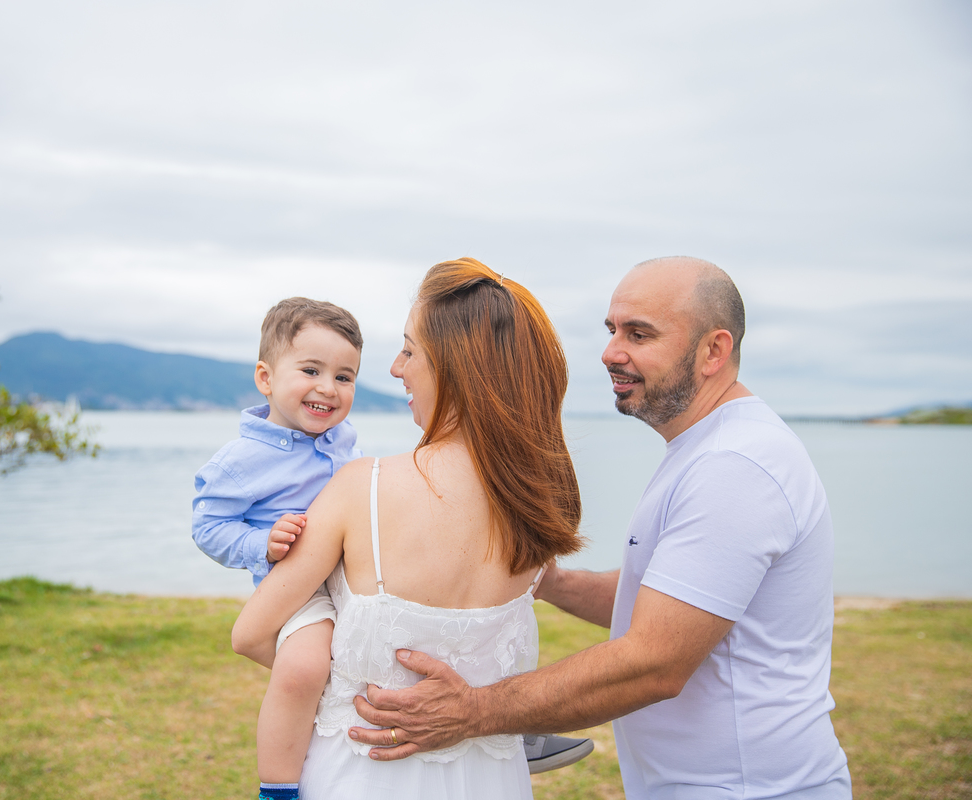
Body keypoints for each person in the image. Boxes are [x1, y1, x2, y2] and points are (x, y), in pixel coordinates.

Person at [349, 256, 853, 799]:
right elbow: (667, 599)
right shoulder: (708, 448)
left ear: (714, 350)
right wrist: (553, 582)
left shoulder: (735, 465)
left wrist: (473, 711)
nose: (611, 352)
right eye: (612, 330)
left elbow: (655, 662)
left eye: (639, 334)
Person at [231, 259, 586, 799]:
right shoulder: (538, 504)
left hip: (363, 774)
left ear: (454, 366)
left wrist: (343, 688)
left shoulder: (363, 488)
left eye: (409, 350)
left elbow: (251, 634)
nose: (396, 369)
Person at [193, 297, 365, 800]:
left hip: (356, 576)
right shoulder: (241, 460)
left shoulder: (343, 440)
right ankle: (279, 787)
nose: (328, 388)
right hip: (298, 591)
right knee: (303, 669)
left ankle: (495, 733)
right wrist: (260, 544)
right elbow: (208, 527)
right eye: (311, 370)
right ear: (265, 378)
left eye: (344, 376)